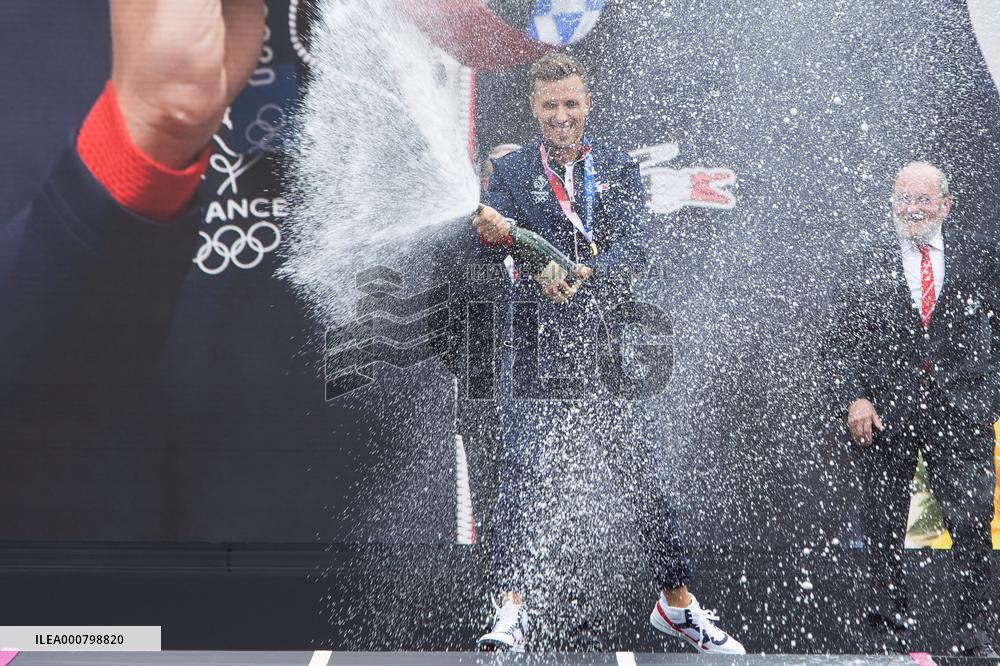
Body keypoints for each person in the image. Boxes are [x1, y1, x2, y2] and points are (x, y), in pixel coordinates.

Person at [471, 52, 744, 655]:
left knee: (643, 473)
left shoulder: (616, 167)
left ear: (587, 103)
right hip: (536, 345)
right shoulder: (513, 175)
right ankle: (510, 610)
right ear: (533, 108)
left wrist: (589, 272)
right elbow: (490, 251)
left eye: (571, 103)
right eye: (549, 106)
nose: (561, 116)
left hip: (607, 344)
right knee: (522, 469)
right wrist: (522, 260)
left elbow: (638, 249)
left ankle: (676, 608)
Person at [825, 162, 999, 657]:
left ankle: (974, 638)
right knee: (881, 526)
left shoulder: (983, 257)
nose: (913, 209)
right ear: (892, 203)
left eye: (923, 199)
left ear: (945, 204)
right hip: (886, 412)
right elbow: (839, 344)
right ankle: (886, 636)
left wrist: (989, 394)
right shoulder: (866, 258)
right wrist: (854, 397)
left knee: (969, 524)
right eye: (904, 198)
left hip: (961, 411)